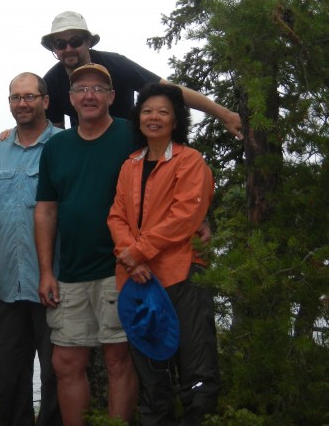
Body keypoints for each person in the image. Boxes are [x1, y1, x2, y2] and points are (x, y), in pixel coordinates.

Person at [107, 83, 219, 425]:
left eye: (163, 112)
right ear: (138, 118)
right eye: (147, 111)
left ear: (175, 121)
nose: (154, 117)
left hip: (181, 276)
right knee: (152, 375)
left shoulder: (190, 161)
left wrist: (137, 253)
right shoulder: (130, 164)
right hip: (138, 283)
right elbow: (117, 216)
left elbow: (186, 216)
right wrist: (131, 257)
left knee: (195, 370)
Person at [35, 63, 138, 426]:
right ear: (70, 99)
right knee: (66, 362)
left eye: (98, 88)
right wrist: (47, 271)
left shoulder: (131, 135)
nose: (89, 95)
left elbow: (169, 176)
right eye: (80, 89)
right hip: (70, 271)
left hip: (121, 268)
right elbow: (46, 210)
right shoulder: (56, 147)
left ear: (111, 97)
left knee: (117, 360)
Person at [0, 73, 62, 426]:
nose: (22, 103)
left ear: (45, 101)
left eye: (30, 96)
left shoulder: (65, 146)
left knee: (57, 372)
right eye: (15, 97)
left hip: (53, 282)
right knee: (9, 375)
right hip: (7, 285)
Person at [40, 10, 242, 139]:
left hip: (130, 144)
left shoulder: (116, 65)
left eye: (75, 41)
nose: (68, 49)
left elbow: (169, 91)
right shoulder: (51, 83)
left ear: (88, 42)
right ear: (54, 48)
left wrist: (224, 115)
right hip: (87, 148)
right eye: (60, 44)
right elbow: (55, 134)